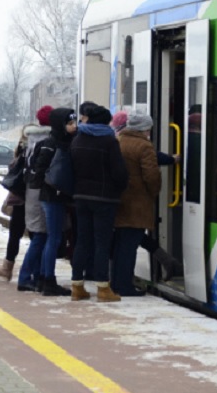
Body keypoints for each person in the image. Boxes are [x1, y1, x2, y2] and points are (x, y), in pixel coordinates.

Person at [69, 105, 129, 302]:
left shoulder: (78, 138)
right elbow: (119, 173)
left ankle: (77, 287)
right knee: (102, 242)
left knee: (82, 241)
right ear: (105, 122)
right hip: (104, 199)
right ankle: (103, 289)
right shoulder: (109, 141)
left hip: (81, 197)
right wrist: (119, 187)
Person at [112, 112, 161, 296]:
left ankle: (116, 283)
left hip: (120, 202)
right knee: (129, 247)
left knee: (120, 246)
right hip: (137, 203)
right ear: (145, 129)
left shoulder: (119, 141)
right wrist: (153, 193)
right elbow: (152, 176)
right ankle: (125, 286)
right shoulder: (144, 146)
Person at [30, 107, 77, 296]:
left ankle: (43, 278)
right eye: (70, 123)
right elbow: (40, 170)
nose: (74, 126)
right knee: (54, 238)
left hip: (53, 195)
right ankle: (48, 279)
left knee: (53, 237)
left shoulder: (57, 141)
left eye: (74, 122)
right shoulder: (55, 143)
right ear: (60, 124)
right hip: (53, 196)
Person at [17, 107, 52, 292]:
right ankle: (25, 276)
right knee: (40, 236)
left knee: (39, 235)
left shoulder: (30, 140)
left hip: (30, 191)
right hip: (39, 193)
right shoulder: (47, 141)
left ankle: (35, 275)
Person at [0, 127, 30, 281]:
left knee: (16, 233)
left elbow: (13, 169)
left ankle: (8, 267)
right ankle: (33, 267)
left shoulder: (23, 148)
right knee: (35, 234)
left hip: (20, 197)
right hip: (31, 197)